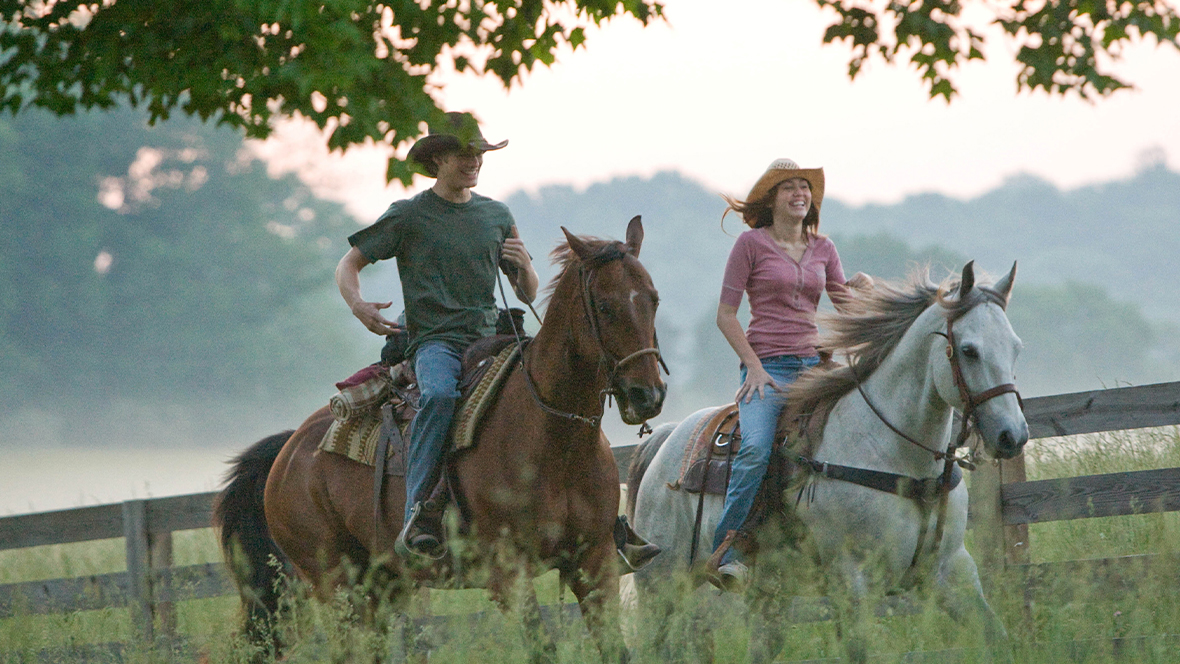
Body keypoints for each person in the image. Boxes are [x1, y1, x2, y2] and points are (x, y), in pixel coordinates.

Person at [335, 112, 539, 560]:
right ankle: (417, 513)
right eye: (464, 155)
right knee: (442, 396)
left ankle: (599, 518)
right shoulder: (409, 215)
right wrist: (358, 305)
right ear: (438, 159)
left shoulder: (497, 215)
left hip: (494, 337)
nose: (474, 162)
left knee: (548, 390)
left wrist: (524, 265)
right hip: (436, 342)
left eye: (479, 154)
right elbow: (348, 264)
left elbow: (528, 292)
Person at [707, 158, 872, 590]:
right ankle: (728, 550)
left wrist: (865, 293)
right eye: (789, 188)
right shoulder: (750, 245)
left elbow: (845, 310)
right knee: (757, 450)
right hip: (769, 368)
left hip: (816, 366)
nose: (800, 193)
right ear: (771, 199)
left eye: (805, 187)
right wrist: (755, 367)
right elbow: (726, 316)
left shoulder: (825, 249)